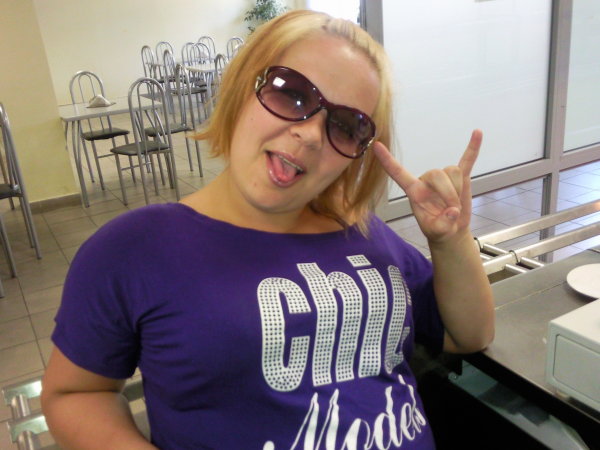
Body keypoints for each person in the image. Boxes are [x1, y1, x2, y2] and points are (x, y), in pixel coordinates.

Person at [41, 10, 494, 450]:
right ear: (243, 87)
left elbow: (467, 335)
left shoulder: (364, 233)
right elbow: (75, 393)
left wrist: (450, 240)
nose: (311, 134)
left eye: (345, 126)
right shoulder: (134, 249)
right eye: (291, 95)